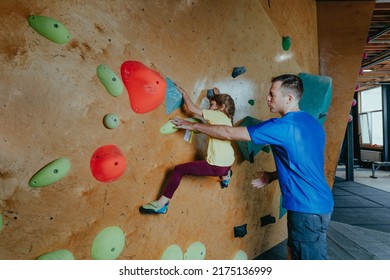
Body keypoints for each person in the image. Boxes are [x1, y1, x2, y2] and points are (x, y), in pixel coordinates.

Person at [171, 74, 334, 260]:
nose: (267, 98)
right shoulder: (312, 123)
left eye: (272, 94)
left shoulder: (282, 127)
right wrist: (272, 176)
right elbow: (303, 165)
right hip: (320, 204)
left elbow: (227, 132)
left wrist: (194, 127)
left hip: (306, 209)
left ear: (289, 99)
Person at [140, 84, 236, 215]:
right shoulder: (229, 120)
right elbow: (223, 103)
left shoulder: (216, 114)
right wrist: (216, 94)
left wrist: (184, 92)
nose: (209, 108)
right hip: (229, 161)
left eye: (212, 105)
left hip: (216, 166)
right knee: (224, 168)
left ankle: (162, 204)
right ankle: (226, 177)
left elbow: (191, 108)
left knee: (179, 170)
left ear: (222, 107)